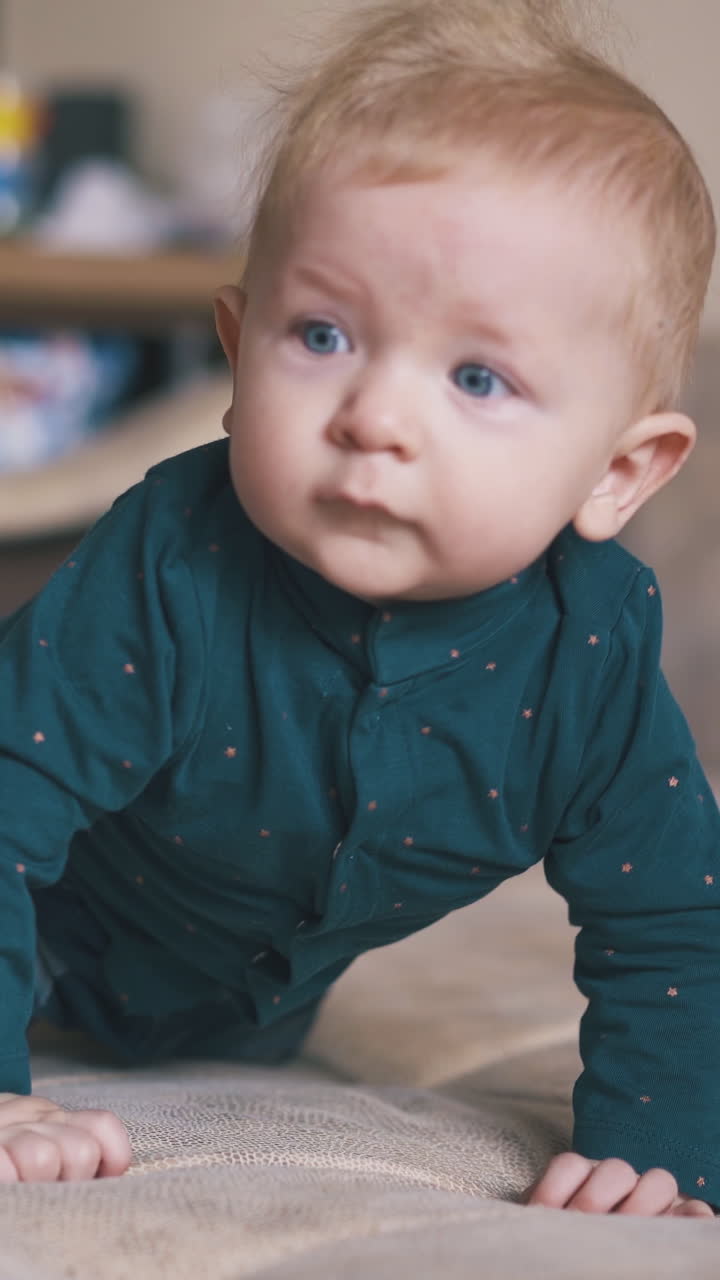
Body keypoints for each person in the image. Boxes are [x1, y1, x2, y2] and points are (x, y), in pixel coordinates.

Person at [0, 0, 718, 1216]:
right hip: (57, 953)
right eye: (322, 334)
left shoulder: (587, 648)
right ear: (237, 354)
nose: (374, 415)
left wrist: (659, 1142)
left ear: (618, 471)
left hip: (245, 1020)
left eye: (477, 375)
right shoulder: (170, 558)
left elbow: (670, 914)